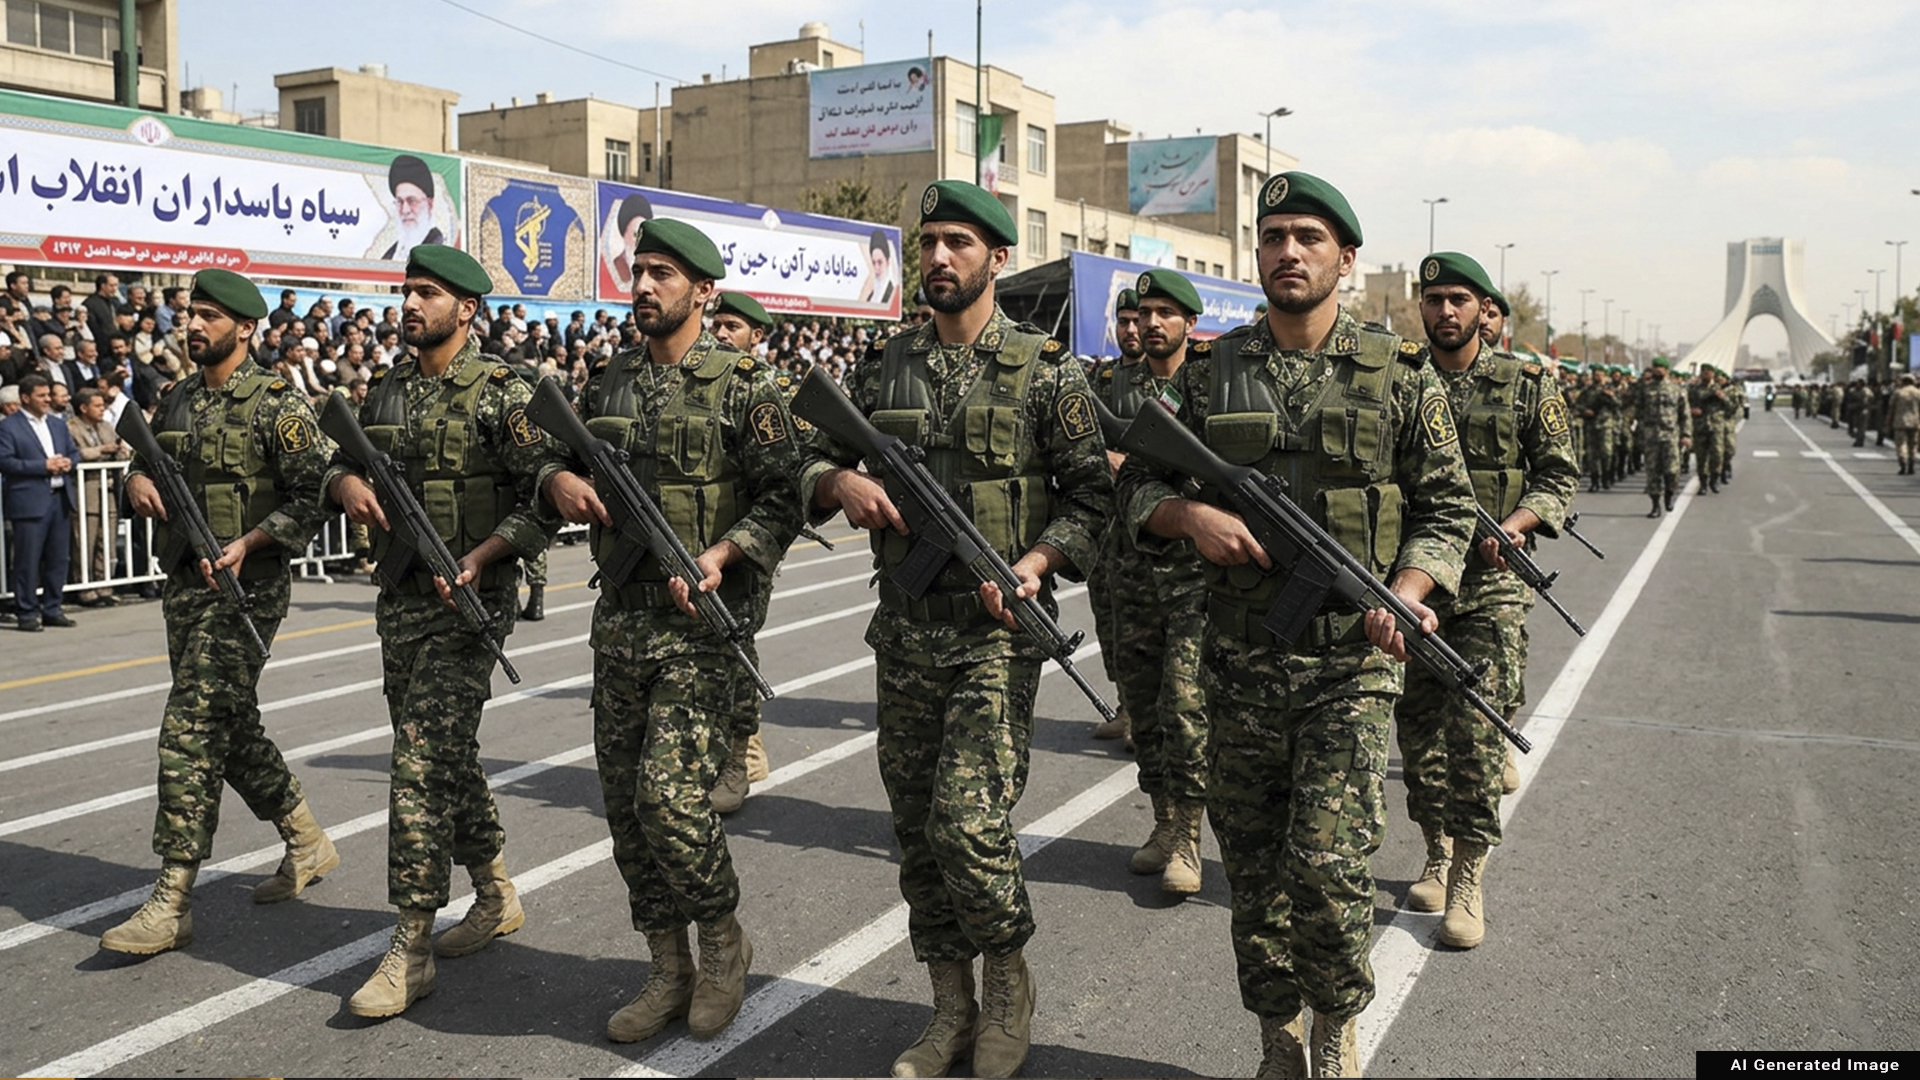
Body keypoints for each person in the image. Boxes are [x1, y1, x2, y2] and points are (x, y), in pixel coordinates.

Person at [1113, 172, 1475, 1077]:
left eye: (1308, 238)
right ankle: (1277, 1033)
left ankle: (1335, 1026)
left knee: (1328, 865)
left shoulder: (1401, 375)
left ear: (1345, 260)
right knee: (1256, 871)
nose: (1287, 252)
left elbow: (1447, 509)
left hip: (1352, 665)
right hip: (1238, 661)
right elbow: (1134, 486)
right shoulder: (1212, 372)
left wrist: (1410, 589)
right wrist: (1190, 517)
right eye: (1273, 236)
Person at [798, 180, 1112, 1079]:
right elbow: (801, 452)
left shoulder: (1047, 372)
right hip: (904, 634)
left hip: (995, 635)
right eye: (929, 241)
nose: (938, 257)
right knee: (914, 829)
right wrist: (837, 483)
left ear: (997, 259)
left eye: (958, 243)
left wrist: (1038, 562)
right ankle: (949, 1005)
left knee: (967, 823)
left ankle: (1007, 983)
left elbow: (1095, 498)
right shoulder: (884, 364)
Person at [539, 222, 803, 1044]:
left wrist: (724, 553)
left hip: (700, 631)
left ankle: (722, 946)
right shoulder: (608, 380)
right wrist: (557, 480)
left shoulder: (746, 387)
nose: (645, 285)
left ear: (704, 291)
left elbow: (786, 498)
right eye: (640, 270)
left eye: (663, 273)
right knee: (626, 810)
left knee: (669, 800)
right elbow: (543, 456)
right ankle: (667, 966)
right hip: (620, 622)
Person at [328, 245, 561, 1017]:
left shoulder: (504, 392)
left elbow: (544, 495)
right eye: (406, 291)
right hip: (400, 601)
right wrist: (346, 481)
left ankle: (411, 945)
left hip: (468, 606)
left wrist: (483, 554)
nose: (409, 305)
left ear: (466, 309)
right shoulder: (387, 388)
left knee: (420, 763)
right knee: (445, 756)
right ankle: (494, 892)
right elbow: (334, 460)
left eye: (426, 293)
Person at [98, 269, 345, 955]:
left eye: (208, 315)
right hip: (185, 586)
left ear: (244, 327)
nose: (193, 325)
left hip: (247, 591)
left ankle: (173, 896)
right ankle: (305, 838)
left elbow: (314, 494)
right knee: (228, 724)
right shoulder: (177, 397)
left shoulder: (277, 404)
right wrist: (136, 480)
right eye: (190, 313)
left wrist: (252, 541)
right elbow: (139, 463)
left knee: (191, 725)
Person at [1394, 252, 1577, 950]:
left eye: (1459, 299)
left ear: (1484, 309)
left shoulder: (1526, 386)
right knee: (1418, 730)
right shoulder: (1399, 381)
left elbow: (1557, 476)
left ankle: (1468, 876)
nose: (1445, 311)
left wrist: (1518, 524)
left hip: (1490, 585)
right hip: (1415, 581)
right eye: (1434, 299)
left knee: (1473, 735)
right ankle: (1435, 851)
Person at [1097, 269, 1213, 896]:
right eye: (1144, 313)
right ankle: (1165, 821)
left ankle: (1189, 837)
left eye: (1165, 313)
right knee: (1142, 703)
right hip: (1129, 566)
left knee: (1185, 706)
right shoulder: (1112, 384)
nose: (1150, 323)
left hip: (1194, 573)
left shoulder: (1213, 386)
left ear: (1190, 323)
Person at [704, 289, 784, 809]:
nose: (720, 333)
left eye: (732, 327)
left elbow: (785, 478)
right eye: (718, 324)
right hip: (691, 542)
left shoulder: (768, 389)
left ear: (756, 336)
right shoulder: (697, 382)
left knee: (734, 649)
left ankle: (740, 756)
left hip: (744, 549)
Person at [1087, 288, 1143, 747]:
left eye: (1137, 319)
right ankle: (1126, 705)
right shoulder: (1101, 378)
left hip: (1149, 525)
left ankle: (1147, 716)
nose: (1131, 329)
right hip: (1107, 523)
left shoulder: (1172, 377)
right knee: (1109, 616)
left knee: (1146, 622)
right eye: (1123, 321)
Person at [0, 373, 80, 630]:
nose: (47, 400)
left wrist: (68, 462)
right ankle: (26, 612)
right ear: (25, 398)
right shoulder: (9, 427)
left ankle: (53, 608)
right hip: (29, 501)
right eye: (42, 395)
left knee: (59, 559)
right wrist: (43, 466)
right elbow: (5, 461)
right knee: (27, 561)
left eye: (48, 395)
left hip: (60, 500)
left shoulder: (57, 424)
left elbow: (74, 452)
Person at [66, 386, 128, 607]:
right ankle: (85, 587)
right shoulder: (71, 428)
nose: (103, 409)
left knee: (106, 540)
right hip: (86, 488)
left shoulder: (107, 426)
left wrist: (120, 451)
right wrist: (101, 450)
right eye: (98, 405)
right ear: (84, 408)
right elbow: (74, 454)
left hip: (109, 488)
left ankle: (104, 585)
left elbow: (120, 448)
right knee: (85, 541)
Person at [1638, 357, 1691, 517]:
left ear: (1667, 370)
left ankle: (1669, 495)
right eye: (1656, 367)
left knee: (1672, 471)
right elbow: (1639, 411)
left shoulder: (1677, 390)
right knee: (1652, 472)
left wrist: (1686, 434)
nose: (1658, 370)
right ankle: (1655, 505)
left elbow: (1685, 414)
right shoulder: (1645, 389)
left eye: (1661, 368)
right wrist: (1640, 431)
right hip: (1651, 437)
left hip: (1670, 436)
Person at [379, 155, 446, 261]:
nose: (405, 210)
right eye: (400, 202)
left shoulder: (439, 250)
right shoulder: (391, 255)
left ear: (429, 204)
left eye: (412, 201)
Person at [1889, 373, 1920, 474]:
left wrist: (1889, 420)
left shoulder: (1898, 393)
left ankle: (1903, 464)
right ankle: (1911, 465)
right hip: (1915, 422)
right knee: (1913, 445)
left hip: (1900, 422)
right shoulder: (1918, 393)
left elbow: (1892, 407)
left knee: (1901, 444)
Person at [861, 229, 899, 306]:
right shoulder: (871, 295)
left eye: (880, 262)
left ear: (887, 262)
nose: (877, 267)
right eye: (874, 263)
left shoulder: (892, 294)